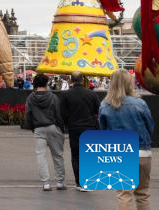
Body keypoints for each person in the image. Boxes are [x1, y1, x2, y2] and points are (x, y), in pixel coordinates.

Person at [100, 68, 155, 210]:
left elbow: (103, 131)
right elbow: (150, 126)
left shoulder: (105, 105)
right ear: (129, 83)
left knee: (124, 194)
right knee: (143, 194)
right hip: (142, 152)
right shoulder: (140, 103)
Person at [25, 72, 66, 191]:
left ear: (34, 83)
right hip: (53, 127)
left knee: (41, 156)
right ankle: (60, 182)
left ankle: (46, 183)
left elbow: (28, 114)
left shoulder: (30, 98)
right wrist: (61, 128)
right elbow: (58, 113)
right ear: (46, 83)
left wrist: (33, 127)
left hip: (39, 128)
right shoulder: (53, 97)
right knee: (57, 155)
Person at [60, 70, 100, 191]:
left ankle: (79, 183)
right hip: (90, 128)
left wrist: (67, 125)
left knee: (76, 155)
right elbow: (98, 110)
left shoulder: (66, 95)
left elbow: (63, 113)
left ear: (71, 80)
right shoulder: (91, 94)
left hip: (75, 128)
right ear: (82, 80)